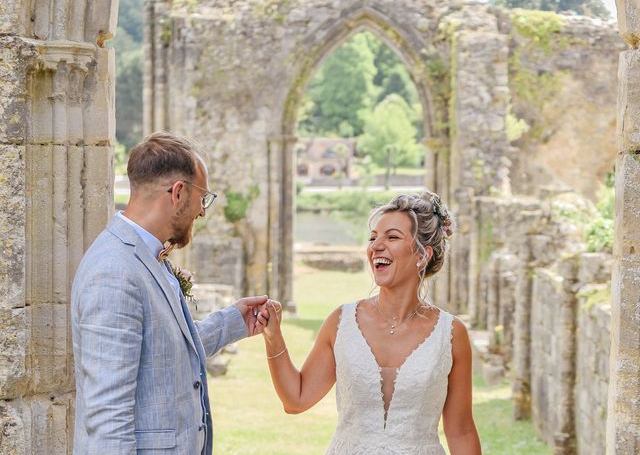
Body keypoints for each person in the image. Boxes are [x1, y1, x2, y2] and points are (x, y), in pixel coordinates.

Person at [71, 132, 269, 454]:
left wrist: (233, 322)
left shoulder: (147, 256)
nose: (202, 212)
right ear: (178, 193)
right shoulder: (114, 271)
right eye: (202, 198)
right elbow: (107, 418)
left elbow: (166, 353)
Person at [259, 191, 482, 454]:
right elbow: (295, 399)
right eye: (373, 237)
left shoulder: (451, 334)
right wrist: (273, 338)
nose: (376, 246)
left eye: (392, 237)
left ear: (422, 256)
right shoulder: (341, 322)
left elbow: (461, 430)